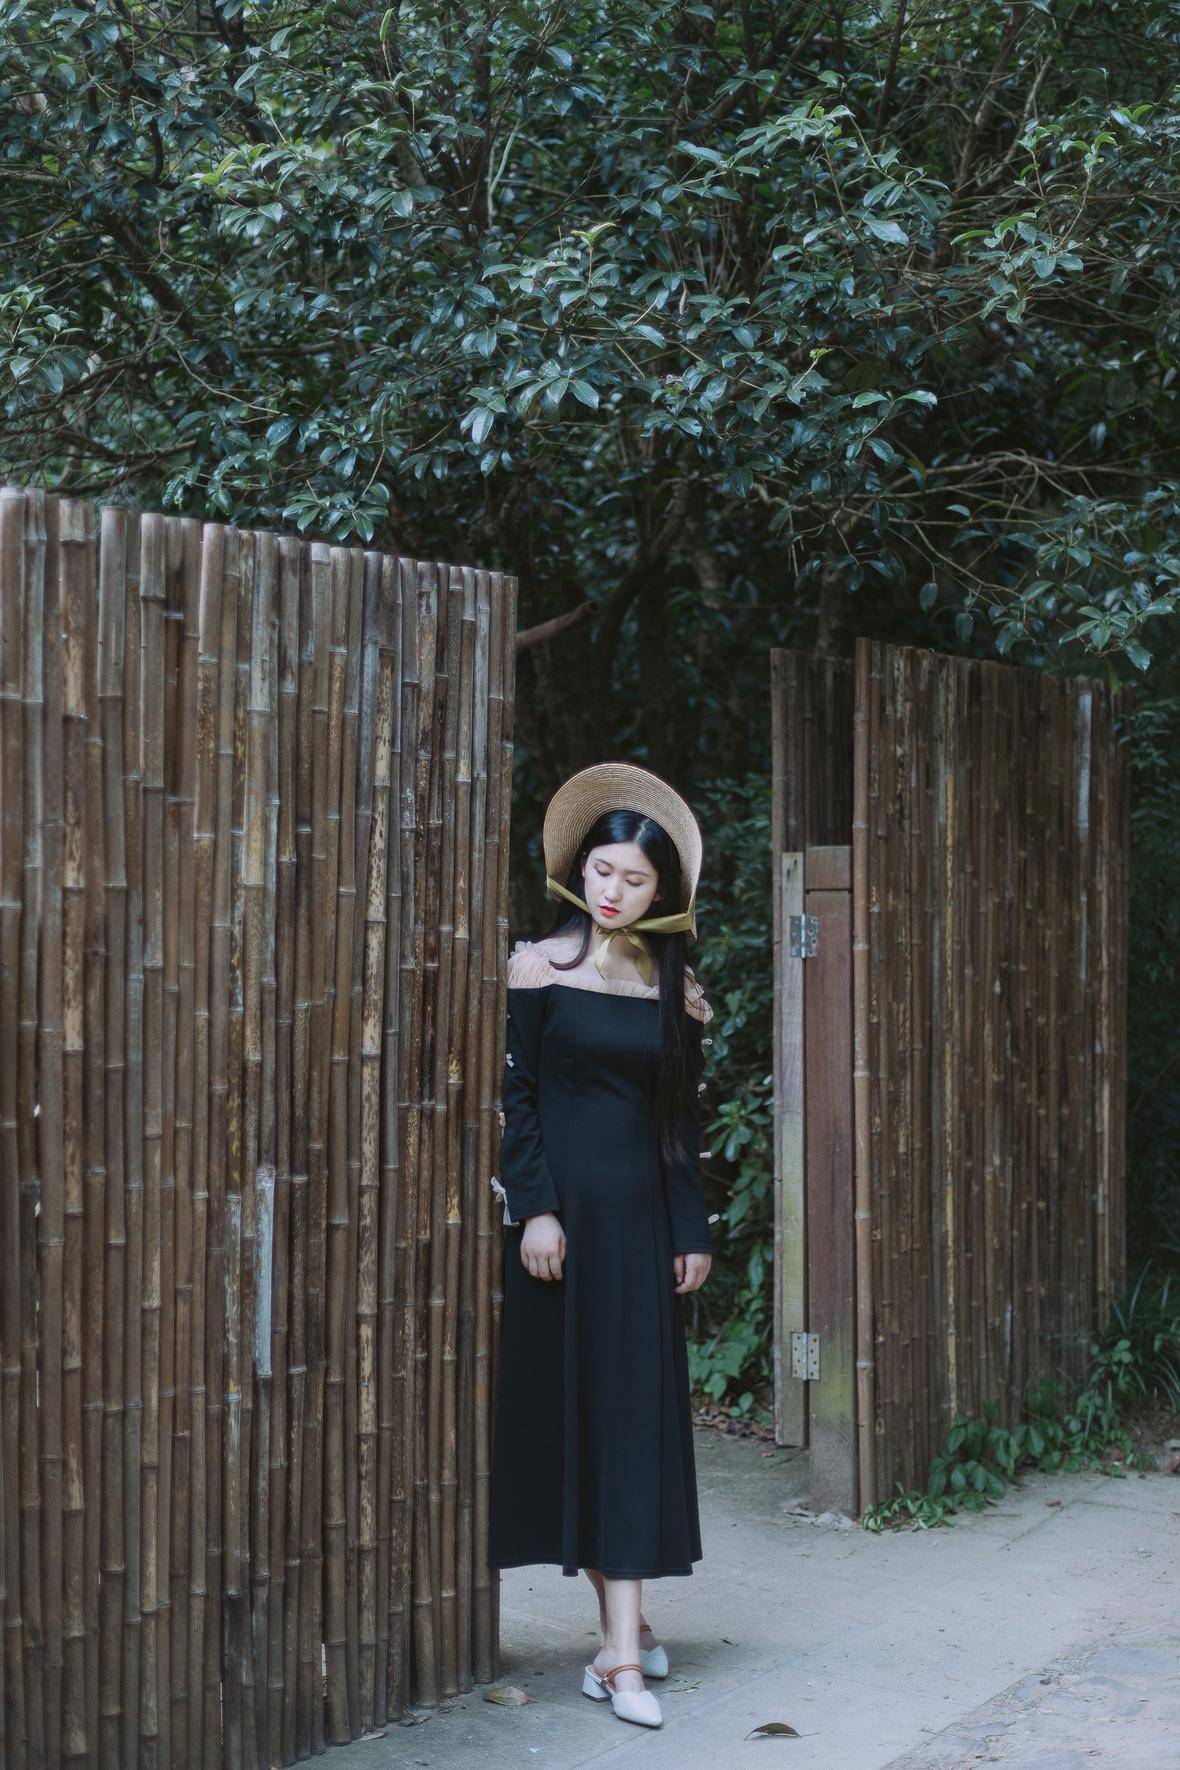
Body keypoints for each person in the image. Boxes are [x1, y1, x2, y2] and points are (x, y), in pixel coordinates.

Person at [486, 761, 717, 1731]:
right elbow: (517, 1099)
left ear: (662, 892)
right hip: (561, 1232)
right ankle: (623, 1643)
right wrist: (536, 1210)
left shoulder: (675, 990)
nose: (614, 889)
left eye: (634, 878)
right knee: (579, 1425)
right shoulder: (537, 968)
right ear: (578, 870)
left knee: (630, 1423)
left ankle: (620, 1648)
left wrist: (690, 1228)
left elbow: (678, 1122)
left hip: (641, 1229)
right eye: (602, 870)